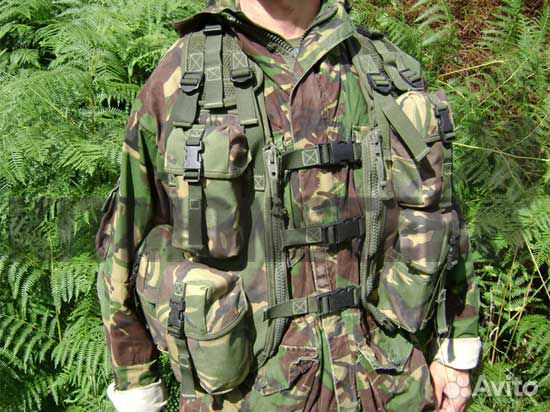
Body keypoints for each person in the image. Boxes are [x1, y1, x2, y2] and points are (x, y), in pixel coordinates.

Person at [95, 1, 481, 411]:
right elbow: (124, 243)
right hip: (251, 396)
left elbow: (439, 210)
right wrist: (137, 385)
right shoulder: (180, 82)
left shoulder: (382, 67)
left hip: (392, 384)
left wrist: (456, 349)